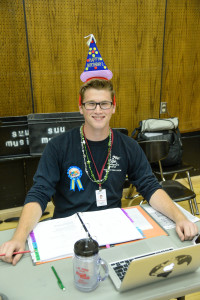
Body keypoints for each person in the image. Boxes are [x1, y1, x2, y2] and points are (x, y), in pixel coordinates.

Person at [0, 36, 198, 266]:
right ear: (80, 107)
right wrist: (19, 237)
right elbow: (40, 193)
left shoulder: (128, 145)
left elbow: (150, 186)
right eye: (91, 103)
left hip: (113, 230)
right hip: (68, 232)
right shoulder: (58, 146)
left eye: (104, 103)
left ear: (113, 106)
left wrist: (180, 218)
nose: (98, 110)